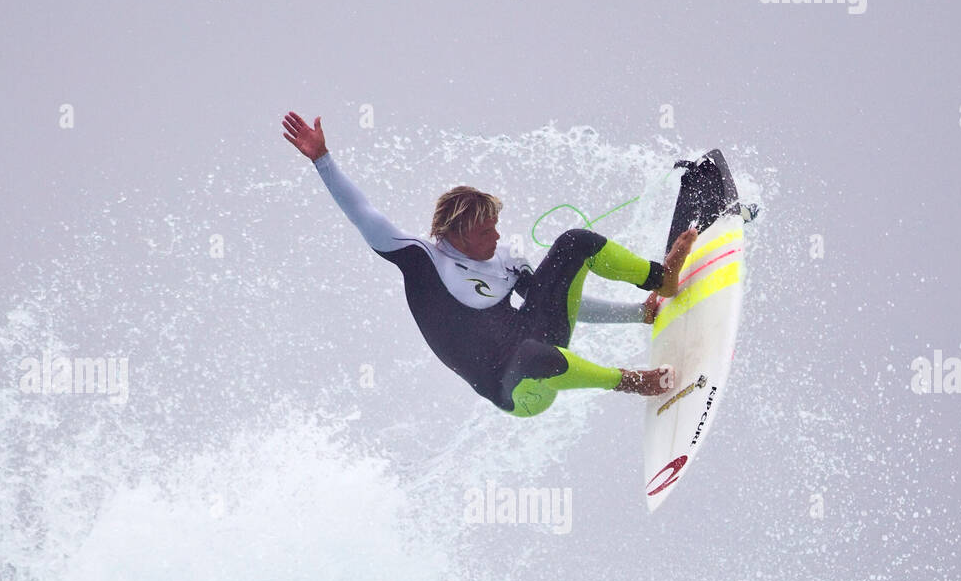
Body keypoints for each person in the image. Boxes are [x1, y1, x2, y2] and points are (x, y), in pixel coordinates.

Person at [282, 112, 696, 417]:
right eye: (485, 232)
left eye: (496, 228)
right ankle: (630, 382)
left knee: (575, 243)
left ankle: (661, 282)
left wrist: (637, 316)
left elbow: (564, 303)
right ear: (454, 235)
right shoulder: (423, 262)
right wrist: (322, 159)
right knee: (535, 353)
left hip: (541, 338)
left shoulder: (504, 260)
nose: (497, 238)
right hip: (517, 388)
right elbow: (363, 213)